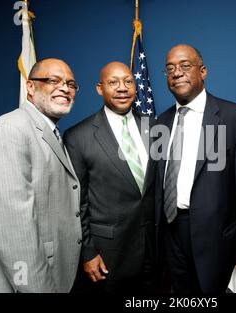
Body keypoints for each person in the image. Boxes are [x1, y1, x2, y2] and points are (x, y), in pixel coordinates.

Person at [0, 58, 82, 292]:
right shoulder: (10, 130)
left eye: (71, 84)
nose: (64, 88)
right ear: (30, 87)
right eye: (53, 80)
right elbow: (14, 232)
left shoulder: (49, 132)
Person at [155, 44, 236, 293]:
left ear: (203, 71)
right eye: (170, 69)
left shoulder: (235, 118)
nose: (176, 72)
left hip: (216, 239)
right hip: (170, 232)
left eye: (185, 66)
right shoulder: (160, 122)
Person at [64, 62, 156, 294]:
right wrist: (87, 252)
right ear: (99, 88)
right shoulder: (78, 136)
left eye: (128, 81)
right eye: (113, 82)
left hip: (153, 250)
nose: (122, 88)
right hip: (107, 254)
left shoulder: (154, 128)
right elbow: (76, 202)